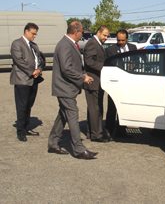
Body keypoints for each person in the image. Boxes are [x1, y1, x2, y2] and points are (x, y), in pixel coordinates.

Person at [48, 21, 98, 159]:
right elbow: (66, 68)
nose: (82, 35)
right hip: (64, 88)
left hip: (67, 88)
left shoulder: (69, 43)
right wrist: (82, 77)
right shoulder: (64, 44)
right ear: (76, 32)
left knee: (63, 115)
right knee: (72, 114)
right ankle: (79, 149)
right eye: (82, 32)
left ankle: (53, 143)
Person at [10, 22, 44, 142]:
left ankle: (27, 127)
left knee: (29, 105)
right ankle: (21, 131)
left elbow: (39, 59)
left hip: (33, 80)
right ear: (26, 31)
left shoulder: (34, 45)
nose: (34, 36)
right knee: (22, 106)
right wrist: (32, 71)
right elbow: (19, 61)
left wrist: (39, 69)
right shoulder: (17, 44)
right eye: (33, 34)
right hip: (22, 80)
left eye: (35, 34)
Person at [105, 29, 137, 139]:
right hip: (115, 83)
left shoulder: (133, 48)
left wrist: (133, 66)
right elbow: (112, 64)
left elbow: (136, 62)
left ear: (127, 39)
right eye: (119, 40)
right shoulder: (110, 50)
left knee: (124, 107)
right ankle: (108, 131)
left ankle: (121, 131)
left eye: (123, 40)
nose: (121, 42)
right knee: (112, 108)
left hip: (127, 83)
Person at [83, 25, 109, 142]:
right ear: (98, 32)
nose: (106, 38)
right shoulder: (92, 43)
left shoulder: (97, 43)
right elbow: (89, 61)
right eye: (104, 35)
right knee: (95, 108)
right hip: (92, 81)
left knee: (95, 107)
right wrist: (104, 68)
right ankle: (96, 134)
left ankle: (91, 132)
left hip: (98, 81)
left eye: (107, 36)